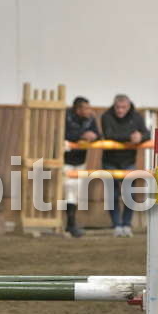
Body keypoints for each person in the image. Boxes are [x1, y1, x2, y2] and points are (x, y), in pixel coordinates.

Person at [100, 94, 150, 237]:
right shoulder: (106, 116)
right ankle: (117, 225)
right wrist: (131, 137)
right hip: (110, 161)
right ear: (114, 105)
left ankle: (127, 225)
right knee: (112, 194)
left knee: (130, 194)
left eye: (123, 107)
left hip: (129, 161)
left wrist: (141, 137)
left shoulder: (137, 117)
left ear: (129, 106)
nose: (120, 110)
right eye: (118, 107)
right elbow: (109, 135)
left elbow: (147, 134)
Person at [63, 97, 100, 237]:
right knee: (69, 189)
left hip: (80, 160)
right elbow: (63, 134)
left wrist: (93, 136)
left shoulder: (90, 119)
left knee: (75, 190)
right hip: (63, 159)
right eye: (86, 108)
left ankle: (70, 224)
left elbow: (99, 135)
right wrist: (82, 135)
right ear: (78, 109)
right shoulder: (65, 117)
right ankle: (70, 223)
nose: (89, 111)